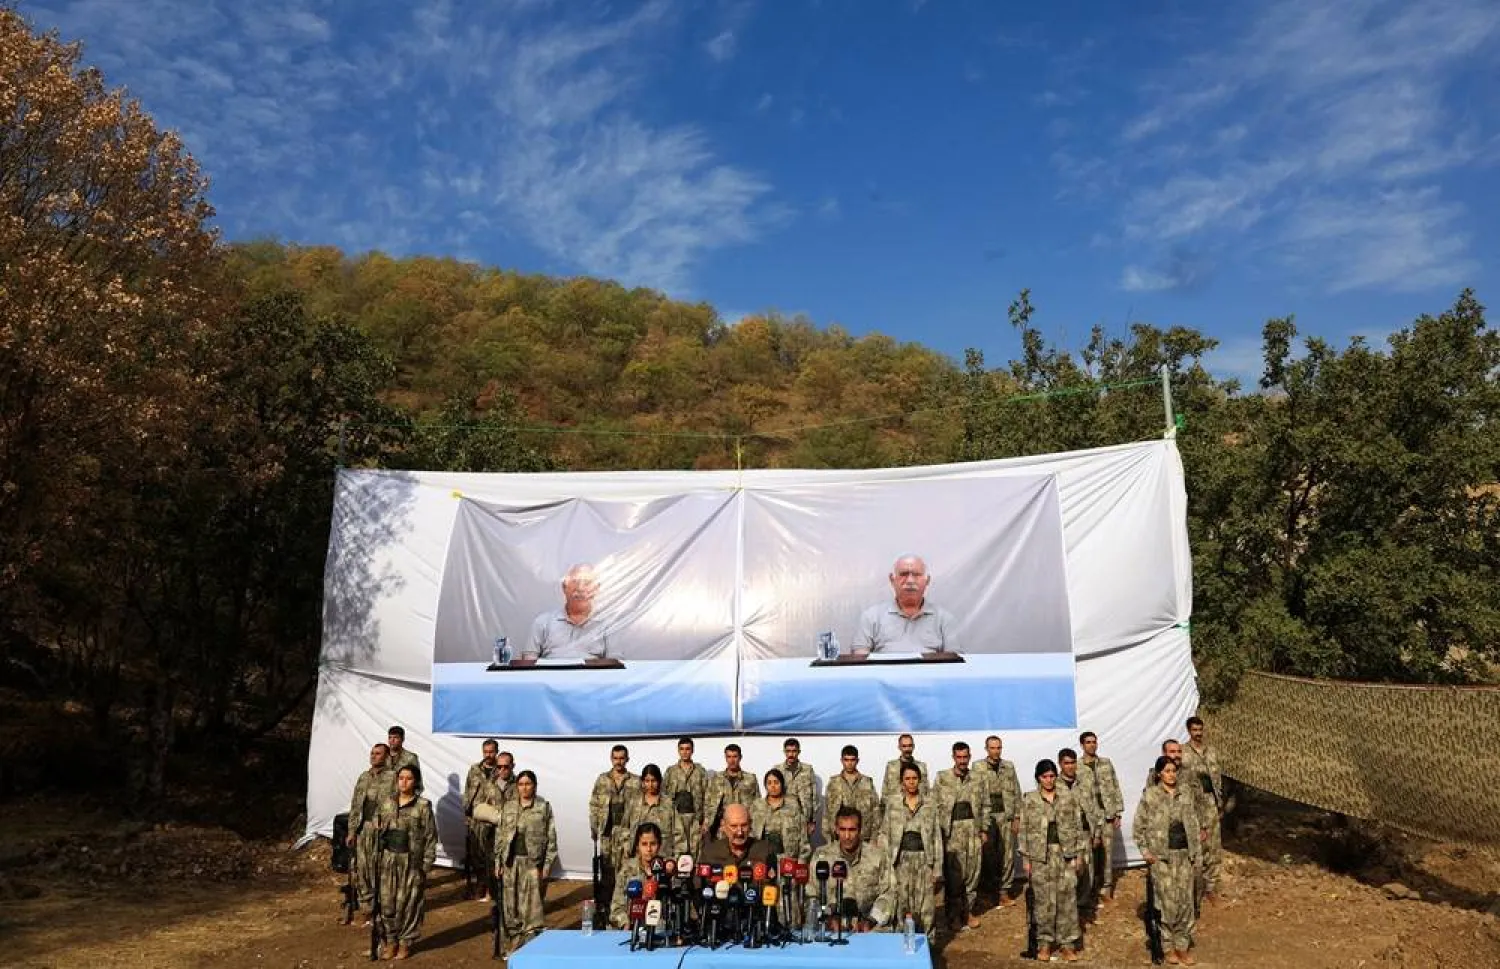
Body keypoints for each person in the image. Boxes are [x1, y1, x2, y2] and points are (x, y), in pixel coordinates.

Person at [1134, 756, 1203, 966]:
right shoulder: (1151, 796)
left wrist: (1197, 854)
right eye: (1167, 771)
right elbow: (1139, 826)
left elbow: (1194, 825)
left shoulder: (1186, 794)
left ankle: (1182, 945)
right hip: (1162, 857)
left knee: (1185, 902)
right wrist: (1146, 852)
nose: (1171, 774)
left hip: (1184, 855)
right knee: (1166, 903)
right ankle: (1167, 945)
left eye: (1173, 770)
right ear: (1159, 774)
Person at [1020, 759, 1085, 963]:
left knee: (1067, 899)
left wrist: (1079, 855)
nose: (1048, 780)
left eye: (1051, 776)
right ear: (1038, 778)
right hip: (1041, 855)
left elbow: (1077, 825)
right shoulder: (1030, 799)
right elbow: (1023, 828)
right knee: (1043, 901)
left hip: (1065, 853)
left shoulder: (1068, 797)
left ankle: (1067, 944)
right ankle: (1045, 943)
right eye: (1044, 776)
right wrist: (1026, 858)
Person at [374, 764, 437, 960]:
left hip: (411, 862)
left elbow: (430, 837)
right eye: (401, 778)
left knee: (408, 903)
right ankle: (390, 940)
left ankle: (405, 942)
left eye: (409, 778)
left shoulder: (423, 806)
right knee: (387, 903)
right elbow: (378, 825)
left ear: (416, 781)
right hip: (389, 860)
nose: (404, 782)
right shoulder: (386, 803)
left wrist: (425, 866)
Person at [496, 769, 558, 948]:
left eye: (528, 784)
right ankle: (515, 938)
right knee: (511, 903)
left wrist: (547, 864)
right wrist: (498, 862)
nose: (524, 788)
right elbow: (500, 835)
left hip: (532, 864)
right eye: (521, 784)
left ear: (535, 786)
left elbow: (551, 837)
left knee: (532, 905)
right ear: (517, 787)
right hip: (510, 862)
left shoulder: (543, 807)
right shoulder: (508, 806)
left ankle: (531, 941)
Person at [810, 807, 897, 932]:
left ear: (860, 830)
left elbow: (889, 893)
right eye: (842, 829)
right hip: (831, 929)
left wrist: (870, 921)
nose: (847, 836)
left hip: (869, 930)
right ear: (836, 829)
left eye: (852, 830)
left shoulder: (878, 856)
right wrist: (827, 918)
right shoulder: (821, 857)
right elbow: (811, 895)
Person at [852, 554, 960, 655]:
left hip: (930, 675)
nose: (910, 581)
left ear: (927, 580)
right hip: (885, 675)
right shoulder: (871, 617)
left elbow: (955, 663)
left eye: (916, 575)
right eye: (903, 574)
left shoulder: (944, 619)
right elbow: (860, 659)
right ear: (892, 579)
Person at [934, 740, 989, 931]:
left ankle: (968, 912)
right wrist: (940, 834)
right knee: (954, 877)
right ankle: (953, 915)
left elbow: (986, 805)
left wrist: (984, 829)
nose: (962, 761)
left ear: (970, 757)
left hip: (972, 830)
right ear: (953, 757)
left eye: (965, 757)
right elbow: (935, 806)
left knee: (973, 874)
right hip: (953, 832)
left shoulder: (978, 778)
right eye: (959, 757)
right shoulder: (942, 778)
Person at [883, 762, 943, 935]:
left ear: (920, 780)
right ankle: (901, 943)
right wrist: (887, 864)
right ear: (901, 781)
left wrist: (936, 868)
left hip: (924, 860)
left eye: (914, 778)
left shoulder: (929, 804)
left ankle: (928, 944)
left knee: (926, 907)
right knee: (902, 902)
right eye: (907, 778)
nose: (911, 782)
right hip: (900, 860)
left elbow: (936, 838)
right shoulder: (893, 803)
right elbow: (885, 833)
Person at [346, 743, 394, 921]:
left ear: (386, 756)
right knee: (361, 867)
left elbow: (397, 804)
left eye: (378, 753)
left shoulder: (393, 777)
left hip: (381, 830)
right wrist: (351, 830)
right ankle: (367, 906)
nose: (373, 756)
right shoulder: (363, 777)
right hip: (362, 829)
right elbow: (355, 805)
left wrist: (388, 824)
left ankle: (382, 907)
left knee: (380, 869)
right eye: (372, 753)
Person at [1180, 716, 1224, 903]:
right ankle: (1192, 888)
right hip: (1193, 803)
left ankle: (1211, 887)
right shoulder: (1182, 752)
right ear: (1189, 731)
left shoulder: (1211, 751)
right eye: (1194, 730)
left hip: (1210, 801)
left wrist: (1219, 801)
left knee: (1213, 845)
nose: (1198, 733)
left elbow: (1217, 777)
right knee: (1195, 843)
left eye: (1200, 730)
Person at [526, 563, 610, 660]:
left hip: (592, 674)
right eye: (575, 582)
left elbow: (616, 665)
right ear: (564, 588)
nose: (580, 589)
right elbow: (529, 663)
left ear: (596, 589)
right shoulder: (543, 622)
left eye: (587, 583)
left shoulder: (606, 625)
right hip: (551, 674)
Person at [1058, 748, 1103, 925]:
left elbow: (1094, 809)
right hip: (1066, 838)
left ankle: (1083, 906)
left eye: (1073, 762)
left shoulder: (1084, 785)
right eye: (1066, 763)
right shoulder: (1056, 787)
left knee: (1087, 872)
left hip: (1085, 834)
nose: (1070, 766)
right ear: (1060, 764)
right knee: (1068, 873)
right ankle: (1068, 910)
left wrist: (1096, 833)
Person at [1079, 731, 1124, 903]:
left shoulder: (1106, 763)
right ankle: (1088, 889)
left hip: (1107, 815)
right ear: (1082, 745)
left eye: (1094, 742)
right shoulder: (1077, 766)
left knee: (1107, 852)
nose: (1092, 745)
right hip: (1090, 817)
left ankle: (1106, 887)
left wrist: (1117, 812)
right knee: (1089, 854)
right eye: (1088, 742)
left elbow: (1115, 785)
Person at [978, 734, 1022, 906]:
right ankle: (989, 891)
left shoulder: (1008, 767)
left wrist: (1017, 817)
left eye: (998, 748)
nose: (996, 751)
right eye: (992, 748)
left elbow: (1017, 792)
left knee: (1007, 855)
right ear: (986, 749)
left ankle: (1004, 891)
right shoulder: (978, 767)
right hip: (988, 818)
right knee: (988, 856)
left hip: (1006, 817)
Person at [589, 744, 640, 890]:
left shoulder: (635, 781)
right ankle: (607, 901)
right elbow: (594, 804)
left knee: (626, 864)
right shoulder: (602, 779)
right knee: (607, 866)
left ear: (627, 759)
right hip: (607, 831)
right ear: (611, 759)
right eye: (615, 758)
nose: (618, 762)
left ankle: (624, 898)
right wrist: (594, 826)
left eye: (622, 758)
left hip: (627, 831)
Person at [624, 764, 690, 861]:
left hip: (663, 860)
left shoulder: (668, 804)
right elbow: (624, 829)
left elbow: (679, 834)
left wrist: (674, 860)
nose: (650, 785)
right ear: (642, 782)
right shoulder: (634, 803)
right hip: (638, 860)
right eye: (647, 781)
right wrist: (627, 849)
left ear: (659, 781)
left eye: (653, 781)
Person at [462, 739, 501, 901]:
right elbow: (467, 790)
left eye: (491, 752)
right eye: (485, 751)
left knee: (490, 855)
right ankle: (480, 885)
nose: (488, 755)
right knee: (475, 854)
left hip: (492, 818)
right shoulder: (475, 769)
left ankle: (491, 888)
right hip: (474, 819)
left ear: (496, 752)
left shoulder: (501, 770)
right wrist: (466, 811)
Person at [825, 745, 882, 845]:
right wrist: (829, 838)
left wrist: (874, 838)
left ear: (857, 761)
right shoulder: (833, 783)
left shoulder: (867, 782)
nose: (849, 763)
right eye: (846, 760)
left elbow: (876, 810)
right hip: (839, 838)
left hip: (863, 838)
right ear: (841, 760)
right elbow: (827, 812)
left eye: (852, 760)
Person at [610, 823, 664, 929]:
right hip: (631, 928)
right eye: (644, 844)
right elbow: (616, 908)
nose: (649, 849)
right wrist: (625, 923)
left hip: (659, 929)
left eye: (653, 844)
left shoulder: (666, 870)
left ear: (659, 845)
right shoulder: (627, 871)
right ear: (637, 846)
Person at [663, 737, 711, 856]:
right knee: (678, 853)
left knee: (696, 853)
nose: (685, 752)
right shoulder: (671, 771)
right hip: (676, 820)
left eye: (688, 749)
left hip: (695, 820)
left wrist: (706, 821)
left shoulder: (700, 771)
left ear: (692, 750)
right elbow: (664, 796)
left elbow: (708, 796)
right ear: (678, 751)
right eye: (682, 749)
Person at [751, 768, 811, 862]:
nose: (773, 786)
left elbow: (803, 835)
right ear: (765, 786)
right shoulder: (757, 805)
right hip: (762, 858)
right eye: (769, 783)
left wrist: (801, 861)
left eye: (776, 782)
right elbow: (750, 832)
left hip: (788, 859)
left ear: (782, 784)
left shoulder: (793, 805)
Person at [703, 743, 759, 841]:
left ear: (740, 757)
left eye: (735, 757)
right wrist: (707, 823)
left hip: (743, 828)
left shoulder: (750, 779)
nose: (732, 760)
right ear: (725, 758)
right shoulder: (716, 779)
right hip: (722, 828)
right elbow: (708, 803)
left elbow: (757, 804)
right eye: (729, 757)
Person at [696, 803, 774, 869]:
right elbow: (699, 885)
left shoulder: (765, 851)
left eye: (744, 825)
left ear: (750, 824)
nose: (739, 832)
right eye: (734, 826)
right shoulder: (710, 853)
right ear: (723, 826)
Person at [778, 738, 818, 838]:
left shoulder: (808, 770)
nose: (791, 754)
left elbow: (814, 797)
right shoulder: (778, 770)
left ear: (799, 752)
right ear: (784, 752)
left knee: (804, 851)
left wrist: (812, 821)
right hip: (783, 819)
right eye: (788, 751)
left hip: (803, 820)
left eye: (794, 751)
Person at [881, 734, 929, 800]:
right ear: (899, 747)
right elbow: (885, 791)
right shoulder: (891, 766)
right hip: (895, 807)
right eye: (904, 746)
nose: (907, 749)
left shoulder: (922, 767)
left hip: (917, 807)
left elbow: (926, 791)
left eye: (910, 746)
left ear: (913, 746)